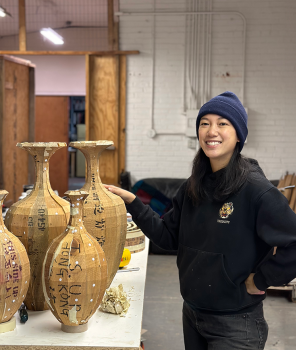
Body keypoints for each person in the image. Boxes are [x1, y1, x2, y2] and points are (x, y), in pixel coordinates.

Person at [105, 91, 296, 350]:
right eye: (205, 123)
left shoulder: (256, 190)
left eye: (222, 123)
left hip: (236, 325)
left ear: (239, 134)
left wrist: (261, 280)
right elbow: (167, 237)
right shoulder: (193, 187)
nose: (211, 131)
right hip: (193, 314)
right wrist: (133, 203)